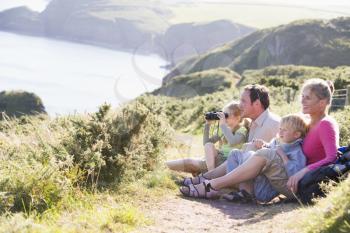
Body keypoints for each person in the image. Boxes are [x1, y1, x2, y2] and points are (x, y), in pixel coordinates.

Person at [179, 79, 339, 201]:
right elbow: (289, 143)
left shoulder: (326, 124)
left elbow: (332, 157)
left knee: (266, 154)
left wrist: (303, 172)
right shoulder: (308, 121)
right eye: (302, 96)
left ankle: (210, 185)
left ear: (323, 102)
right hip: (290, 175)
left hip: (300, 183)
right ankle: (208, 179)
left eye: (308, 98)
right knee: (247, 148)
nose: (302, 101)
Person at [181, 84, 280, 188]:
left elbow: (252, 162)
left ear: (257, 103)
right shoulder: (254, 123)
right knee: (193, 162)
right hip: (241, 171)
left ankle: (206, 180)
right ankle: (205, 178)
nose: (240, 105)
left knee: (193, 163)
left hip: (256, 183)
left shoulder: (271, 124)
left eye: (243, 101)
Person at [223, 114, 308, 203]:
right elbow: (269, 149)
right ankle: (238, 188)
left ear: (296, 134)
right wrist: (263, 144)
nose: (280, 132)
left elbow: (295, 174)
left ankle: (245, 193)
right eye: (280, 129)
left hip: (264, 189)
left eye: (285, 130)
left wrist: (284, 157)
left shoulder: (297, 152)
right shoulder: (277, 141)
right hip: (257, 180)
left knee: (250, 154)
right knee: (235, 153)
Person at [166, 101, 248, 175]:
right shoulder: (224, 129)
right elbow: (206, 143)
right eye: (222, 115)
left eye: (226, 115)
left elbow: (233, 141)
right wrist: (207, 125)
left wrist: (223, 125)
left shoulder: (242, 130)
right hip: (217, 160)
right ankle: (211, 173)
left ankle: (208, 175)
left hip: (228, 162)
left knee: (190, 163)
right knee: (197, 155)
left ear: (238, 117)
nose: (223, 118)